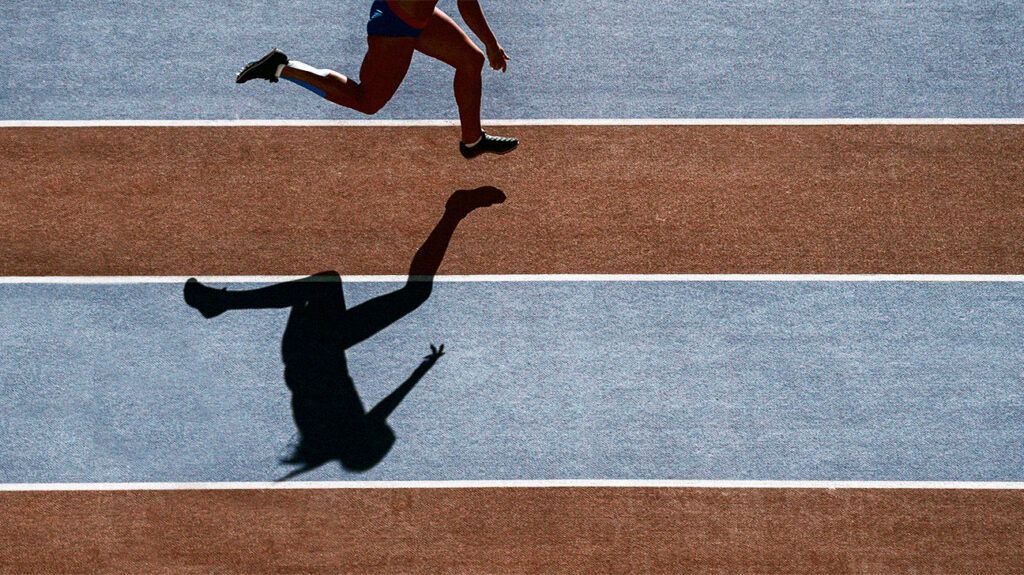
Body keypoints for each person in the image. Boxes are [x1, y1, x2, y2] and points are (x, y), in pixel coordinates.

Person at [183, 186, 505, 477]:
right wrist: (422, 370)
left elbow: (368, 409)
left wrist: (300, 309)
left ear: (363, 441)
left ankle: (222, 302)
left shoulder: (325, 427)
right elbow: (385, 408)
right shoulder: (346, 430)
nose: (379, 424)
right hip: (326, 343)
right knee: (408, 293)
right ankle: (455, 210)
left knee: (330, 283)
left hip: (312, 348)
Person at [236, 0, 518, 159]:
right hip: (394, 26)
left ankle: (472, 140)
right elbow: (467, 4)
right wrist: (492, 43)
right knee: (367, 100)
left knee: (470, 60)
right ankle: (283, 67)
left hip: (411, 16)